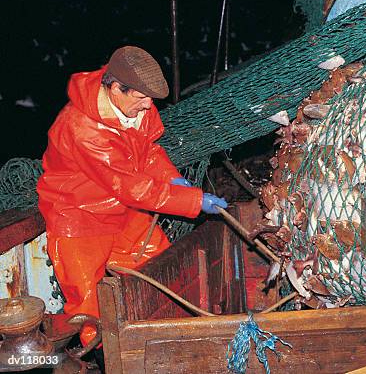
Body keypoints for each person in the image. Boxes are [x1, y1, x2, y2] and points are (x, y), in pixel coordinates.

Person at [37, 46, 227, 346]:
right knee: (89, 311)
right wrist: (193, 201)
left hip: (123, 210)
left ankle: (167, 339)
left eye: (150, 99)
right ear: (114, 88)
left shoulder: (137, 105)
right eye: (141, 99)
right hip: (79, 218)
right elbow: (132, 187)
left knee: (164, 267)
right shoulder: (82, 129)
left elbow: (148, 151)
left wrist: (175, 180)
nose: (148, 105)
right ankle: (107, 358)